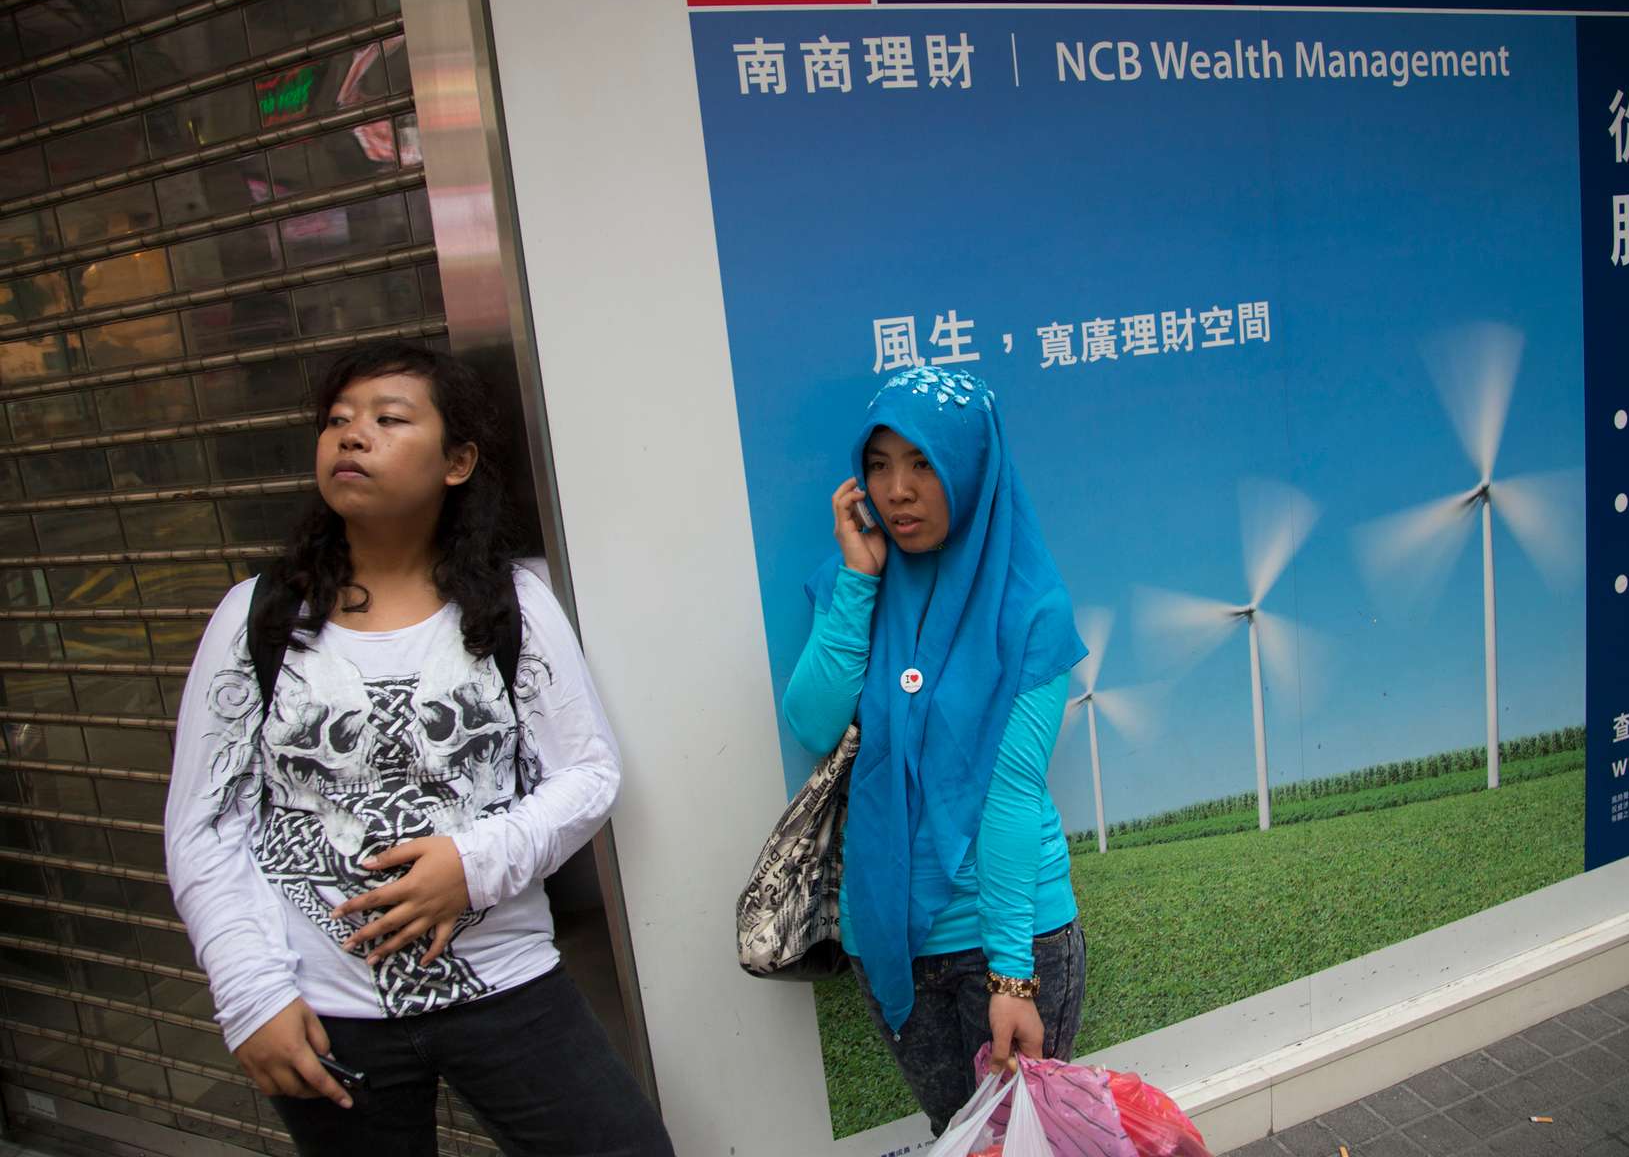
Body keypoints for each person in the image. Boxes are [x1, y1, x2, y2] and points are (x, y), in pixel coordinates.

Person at [164, 342, 673, 1156]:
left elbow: (586, 774)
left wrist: (467, 866)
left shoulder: (512, 605)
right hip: (324, 1013)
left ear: (458, 461)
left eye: (387, 420)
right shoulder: (257, 618)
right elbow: (204, 823)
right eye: (336, 421)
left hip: (506, 986)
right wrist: (249, 994)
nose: (352, 437)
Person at [782, 366, 1089, 1132]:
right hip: (888, 938)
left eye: (924, 463)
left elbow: (1011, 793)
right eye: (880, 464)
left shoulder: (1031, 609)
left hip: (1009, 937)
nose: (898, 490)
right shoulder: (858, 580)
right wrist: (858, 582)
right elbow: (815, 722)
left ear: (973, 468)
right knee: (957, 1139)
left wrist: (1013, 977)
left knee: (1025, 1145)